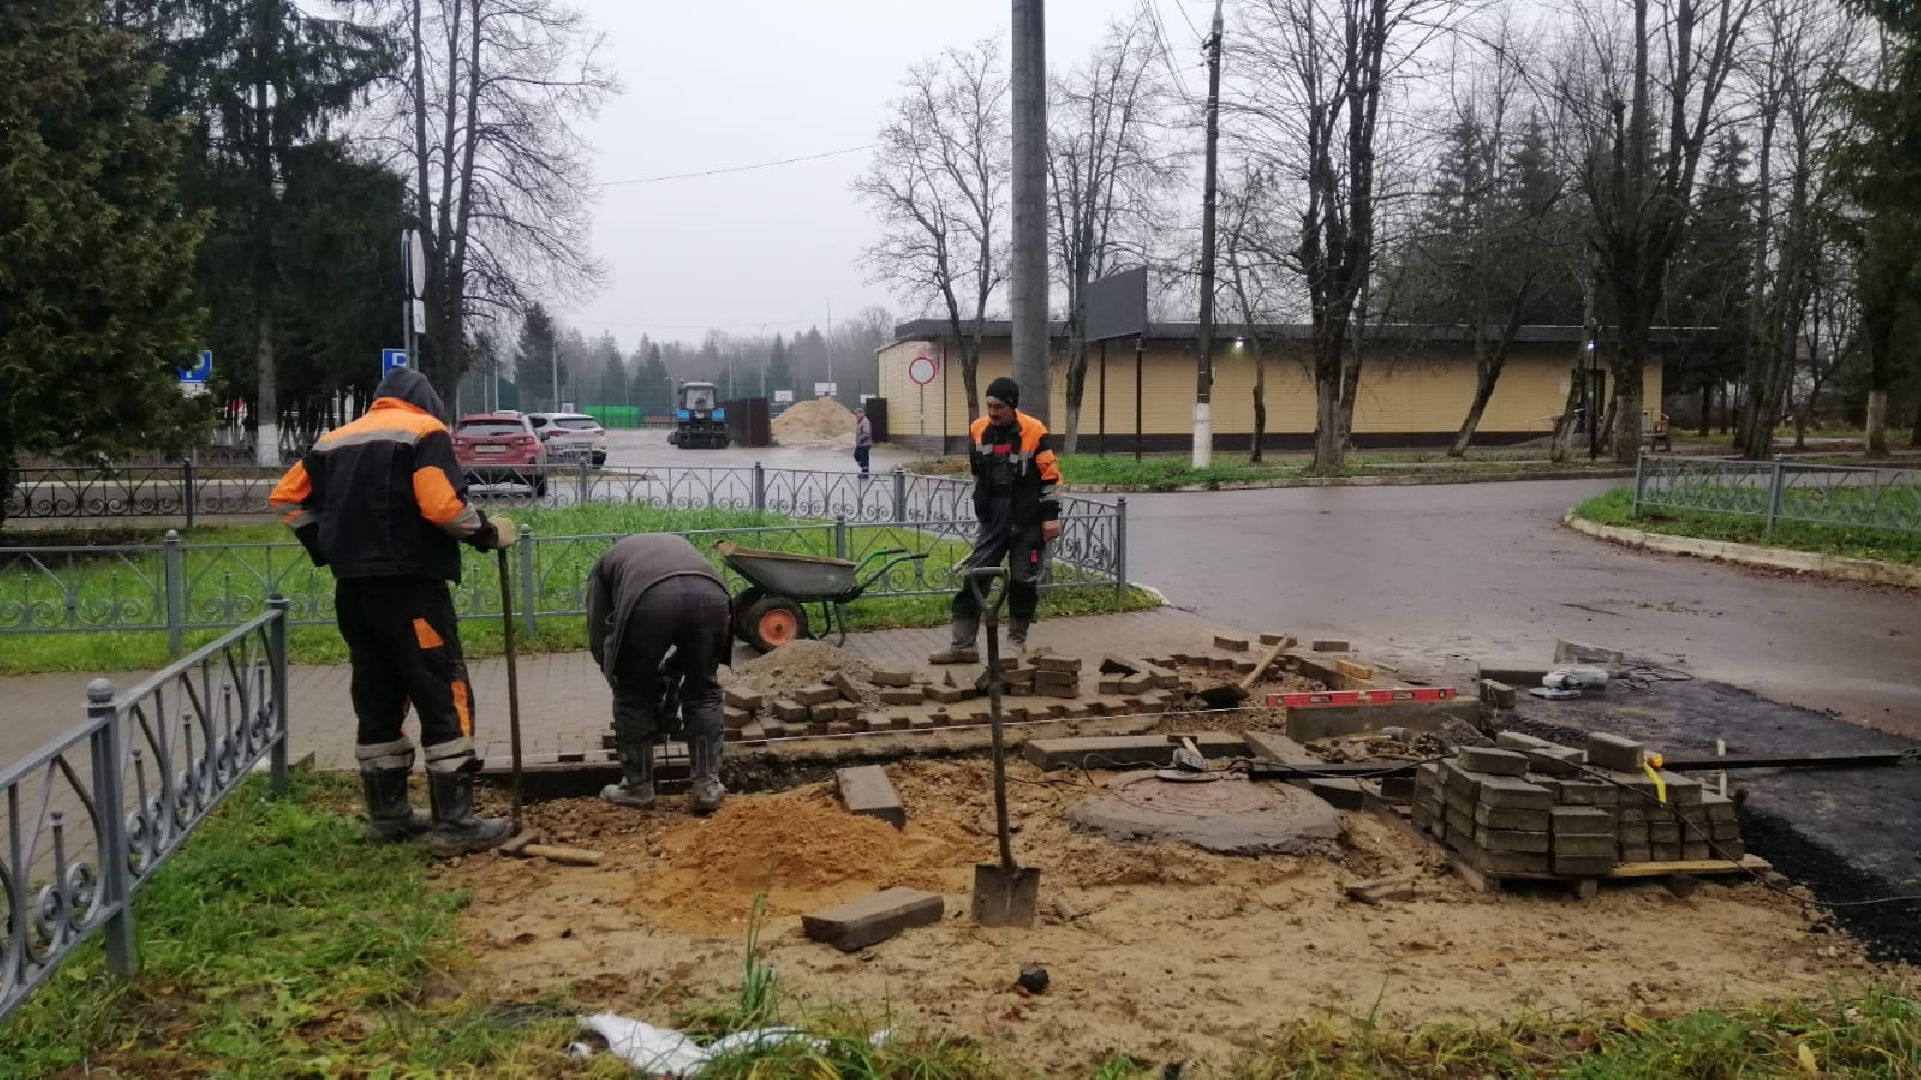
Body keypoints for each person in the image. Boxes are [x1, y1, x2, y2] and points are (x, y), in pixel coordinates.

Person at [268, 367, 518, 857]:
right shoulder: (424, 433)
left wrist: (330, 546)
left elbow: (286, 499)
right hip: (412, 590)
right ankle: (455, 823)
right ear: (428, 404)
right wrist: (487, 533)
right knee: (442, 689)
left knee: (377, 692)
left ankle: (389, 817)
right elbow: (443, 508)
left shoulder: (334, 440)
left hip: (354, 593)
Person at [587, 533, 731, 813]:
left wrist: (621, 679)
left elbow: (598, 634)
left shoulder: (604, 564)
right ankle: (707, 788)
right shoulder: (676, 546)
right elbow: (687, 614)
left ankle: (637, 787)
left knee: (633, 694)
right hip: (712, 595)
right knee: (703, 691)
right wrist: (672, 671)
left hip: (649, 600)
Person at [928, 376, 1062, 663]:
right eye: (989, 406)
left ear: (1012, 406)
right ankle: (963, 646)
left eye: (998, 407)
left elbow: (1050, 478)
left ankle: (1015, 644)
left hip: (1028, 517)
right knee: (976, 577)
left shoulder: (1034, 431)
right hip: (995, 517)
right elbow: (978, 473)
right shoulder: (978, 430)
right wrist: (982, 506)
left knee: (1023, 581)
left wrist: (1050, 517)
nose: (992, 412)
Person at [853, 408, 874, 476]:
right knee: (856, 455)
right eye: (855, 414)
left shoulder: (865, 421)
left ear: (861, 413)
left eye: (857, 414)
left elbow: (866, 433)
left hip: (865, 444)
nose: (856, 415)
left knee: (864, 458)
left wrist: (860, 439)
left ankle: (865, 473)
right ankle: (864, 469)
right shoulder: (859, 421)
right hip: (860, 444)